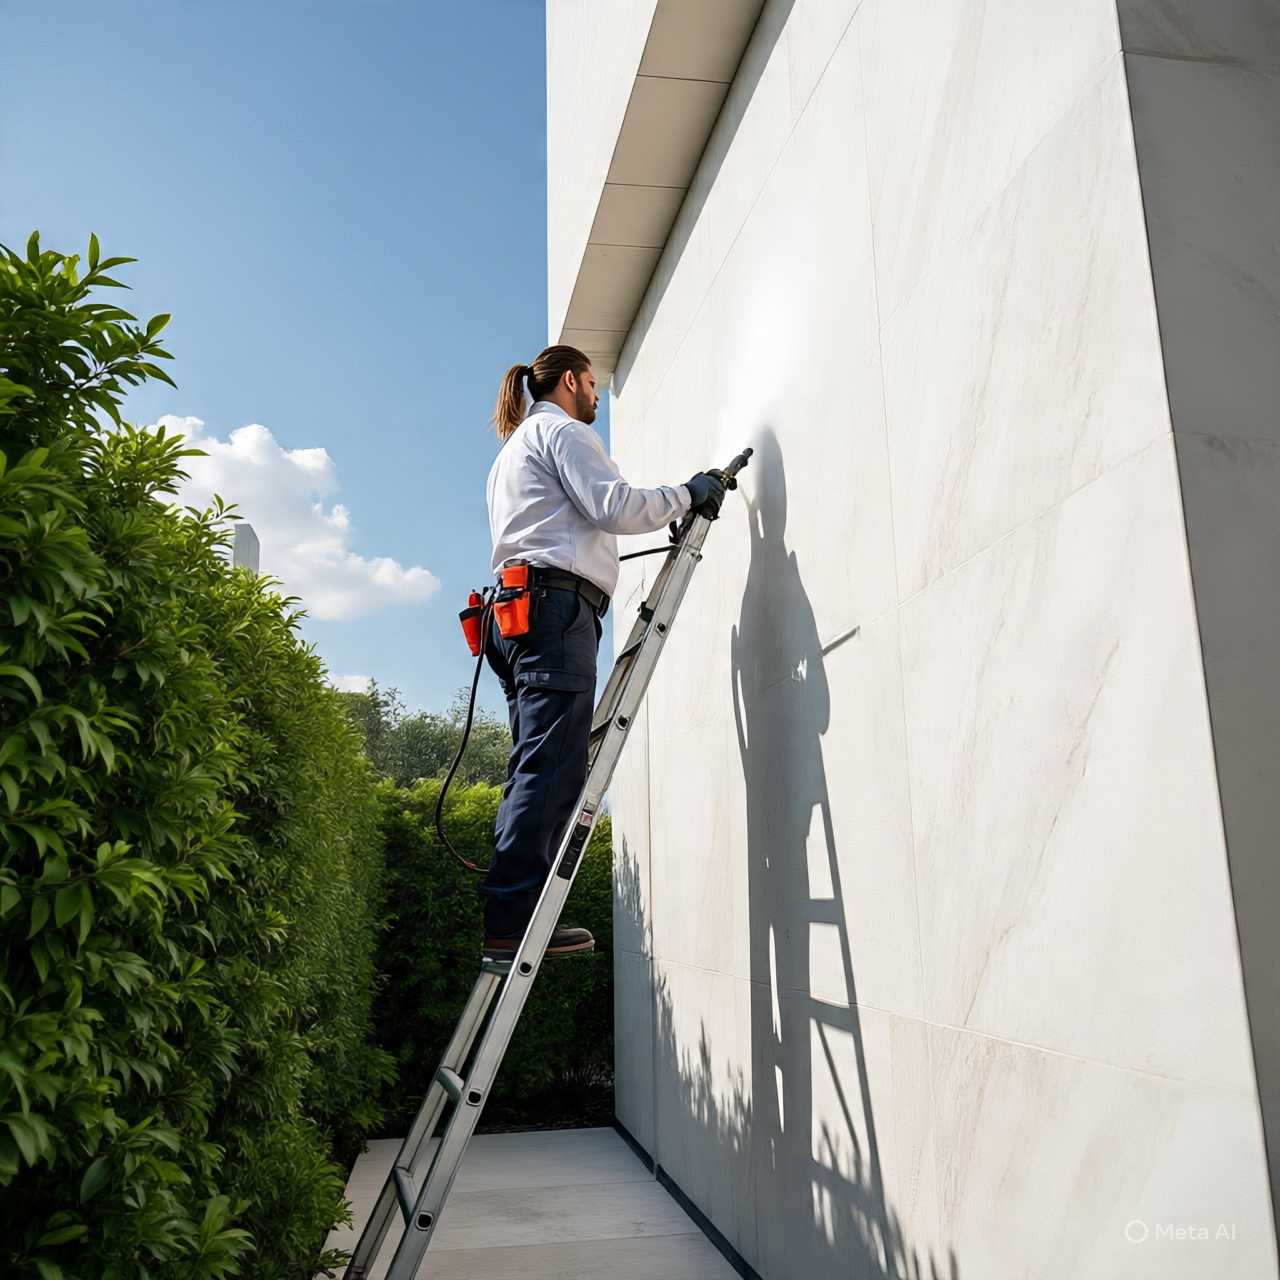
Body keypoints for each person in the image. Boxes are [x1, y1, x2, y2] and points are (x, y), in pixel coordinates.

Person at [481, 344, 724, 956]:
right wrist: (689, 493)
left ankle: (513, 914)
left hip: (517, 615)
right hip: (554, 613)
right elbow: (613, 506)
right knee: (554, 766)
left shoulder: (512, 451)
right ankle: (514, 923)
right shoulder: (563, 432)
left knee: (535, 762)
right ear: (570, 381)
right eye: (591, 384)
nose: (596, 396)